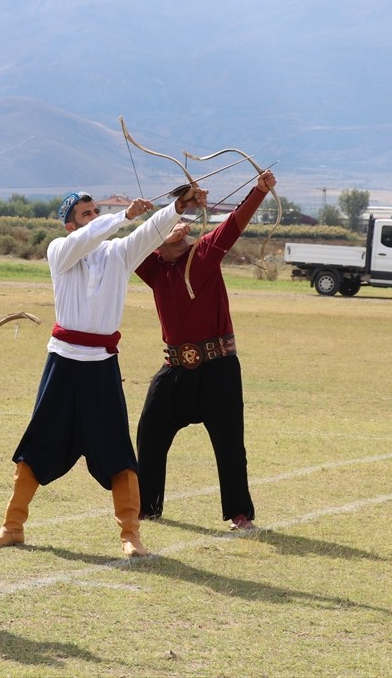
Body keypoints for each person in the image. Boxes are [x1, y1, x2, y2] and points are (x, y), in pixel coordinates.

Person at [0, 186, 205, 558]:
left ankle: (130, 534)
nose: (94, 218)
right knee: (38, 443)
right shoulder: (60, 251)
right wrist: (121, 216)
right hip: (63, 364)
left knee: (117, 448)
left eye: (96, 211)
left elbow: (149, 233)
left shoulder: (118, 254)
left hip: (101, 367)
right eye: (86, 214)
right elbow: (94, 235)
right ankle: (12, 525)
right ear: (70, 226)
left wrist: (178, 207)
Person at [134, 170, 276, 532]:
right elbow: (129, 247)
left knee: (230, 445)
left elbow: (234, 224)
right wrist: (168, 211)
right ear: (157, 243)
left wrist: (258, 191)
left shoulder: (204, 256)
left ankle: (240, 514)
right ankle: (147, 507)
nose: (183, 232)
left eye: (185, 227)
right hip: (175, 370)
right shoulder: (153, 268)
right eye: (173, 230)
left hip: (218, 369)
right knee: (150, 432)